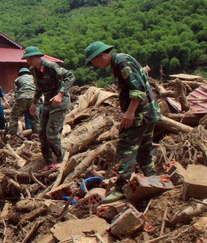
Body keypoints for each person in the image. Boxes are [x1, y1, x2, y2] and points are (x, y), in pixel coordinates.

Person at [85, 41, 162, 203]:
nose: (95, 65)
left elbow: (137, 89)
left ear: (100, 55)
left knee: (125, 149)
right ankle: (153, 178)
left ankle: (120, 188)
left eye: (94, 61)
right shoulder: (119, 62)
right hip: (148, 112)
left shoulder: (121, 62)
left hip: (139, 114)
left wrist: (130, 112)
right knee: (144, 148)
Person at [23, 46, 75, 173]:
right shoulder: (33, 70)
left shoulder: (51, 66)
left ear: (37, 57)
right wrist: (34, 103)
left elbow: (70, 76)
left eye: (29, 58)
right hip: (47, 102)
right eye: (26, 59)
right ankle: (48, 162)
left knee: (51, 132)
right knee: (41, 132)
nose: (27, 61)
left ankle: (61, 159)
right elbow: (38, 88)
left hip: (59, 102)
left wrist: (61, 94)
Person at [8, 68, 40, 136]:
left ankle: (12, 134)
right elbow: (38, 89)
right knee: (34, 117)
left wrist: (19, 106)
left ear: (20, 74)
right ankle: (37, 134)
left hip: (22, 97)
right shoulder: (33, 78)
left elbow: (16, 93)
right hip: (33, 98)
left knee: (13, 115)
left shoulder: (18, 79)